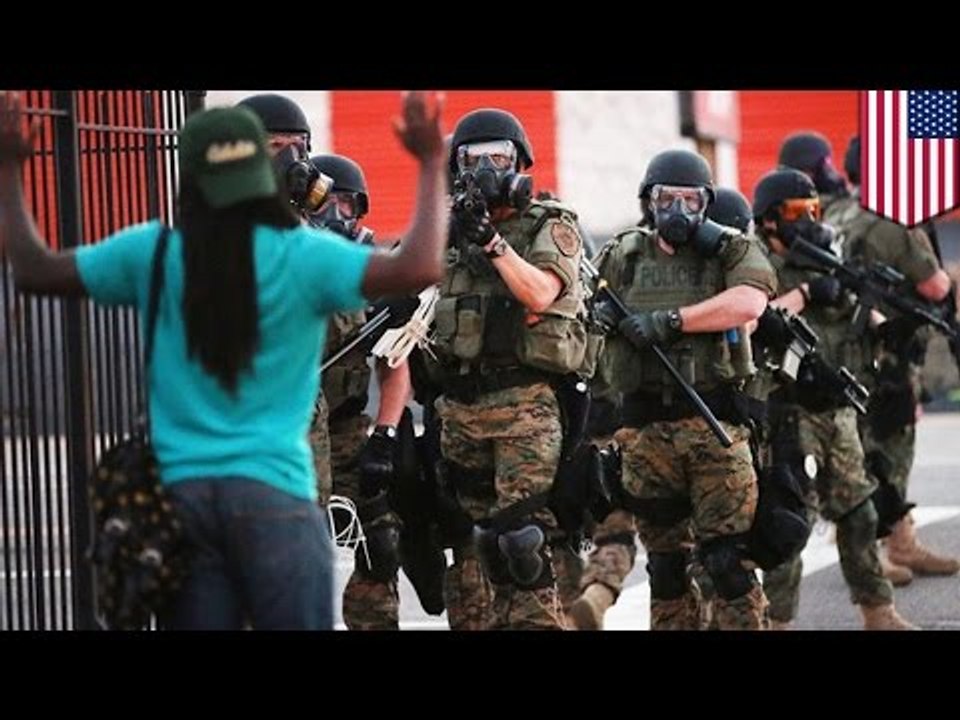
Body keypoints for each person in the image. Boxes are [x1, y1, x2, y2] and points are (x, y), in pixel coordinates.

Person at [0, 90, 448, 630]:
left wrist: (9, 169)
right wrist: (430, 161)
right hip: (277, 501)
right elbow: (420, 266)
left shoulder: (153, 252)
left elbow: (34, 268)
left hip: (183, 505)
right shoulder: (306, 255)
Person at [595, 149, 776, 630]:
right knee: (667, 568)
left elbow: (749, 302)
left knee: (727, 562)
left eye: (690, 200)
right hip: (645, 432)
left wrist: (670, 321)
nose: (678, 210)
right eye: (666, 199)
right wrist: (604, 318)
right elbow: (579, 304)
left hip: (714, 426)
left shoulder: (731, 250)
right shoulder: (624, 254)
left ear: (706, 203)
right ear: (648, 202)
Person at [426, 107, 589, 630]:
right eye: (472, 160)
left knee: (523, 537)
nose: (485, 170)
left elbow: (540, 291)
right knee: (486, 542)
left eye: (497, 159)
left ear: (519, 164)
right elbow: (403, 291)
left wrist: (492, 244)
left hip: (526, 404)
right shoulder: (446, 230)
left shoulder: (549, 224)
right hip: (460, 408)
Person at [752, 167, 916, 629]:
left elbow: (852, 313)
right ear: (769, 219)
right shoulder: (755, 261)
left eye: (813, 210)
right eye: (796, 211)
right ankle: (776, 621)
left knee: (860, 513)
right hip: (787, 410)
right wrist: (805, 294)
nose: (808, 220)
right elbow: (752, 316)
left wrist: (885, 325)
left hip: (836, 408)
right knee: (789, 522)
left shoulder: (826, 255)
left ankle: (878, 612)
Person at [826, 136, 958, 583]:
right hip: (890, 355)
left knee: (859, 447)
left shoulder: (834, 214)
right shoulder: (895, 222)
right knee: (891, 450)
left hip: (844, 351)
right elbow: (935, 286)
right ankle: (878, 547)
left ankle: (896, 540)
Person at [306, 152, 413, 630]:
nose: (335, 214)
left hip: (347, 425)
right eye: (325, 203)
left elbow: (395, 366)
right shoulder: (290, 263)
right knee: (293, 544)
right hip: (295, 429)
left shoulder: (372, 272)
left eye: (346, 204)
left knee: (380, 538)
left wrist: (384, 438)